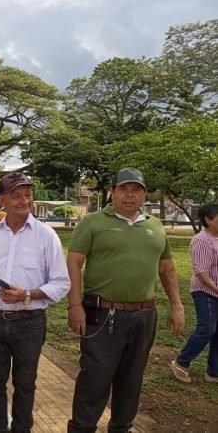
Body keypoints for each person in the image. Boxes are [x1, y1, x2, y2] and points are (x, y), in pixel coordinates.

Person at [66, 168, 185, 433]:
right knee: (94, 380)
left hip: (144, 316)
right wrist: (74, 306)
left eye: (136, 190)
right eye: (124, 189)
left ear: (144, 194)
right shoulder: (94, 222)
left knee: (131, 380)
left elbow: (167, 269)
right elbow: (74, 263)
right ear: (113, 192)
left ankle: (121, 428)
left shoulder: (155, 226)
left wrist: (176, 305)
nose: (130, 195)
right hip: (102, 315)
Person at [0, 172, 70, 432]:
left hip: (29, 323)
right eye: (16, 196)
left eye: (28, 195)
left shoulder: (47, 236)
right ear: (2, 200)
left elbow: (61, 283)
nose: (24, 200)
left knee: (25, 385)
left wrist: (27, 295)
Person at [171, 204, 218, 384]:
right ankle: (181, 363)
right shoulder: (202, 240)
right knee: (207, 328)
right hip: (205, 290)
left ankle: (213, 372)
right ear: (208, 219)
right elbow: (201, 272)